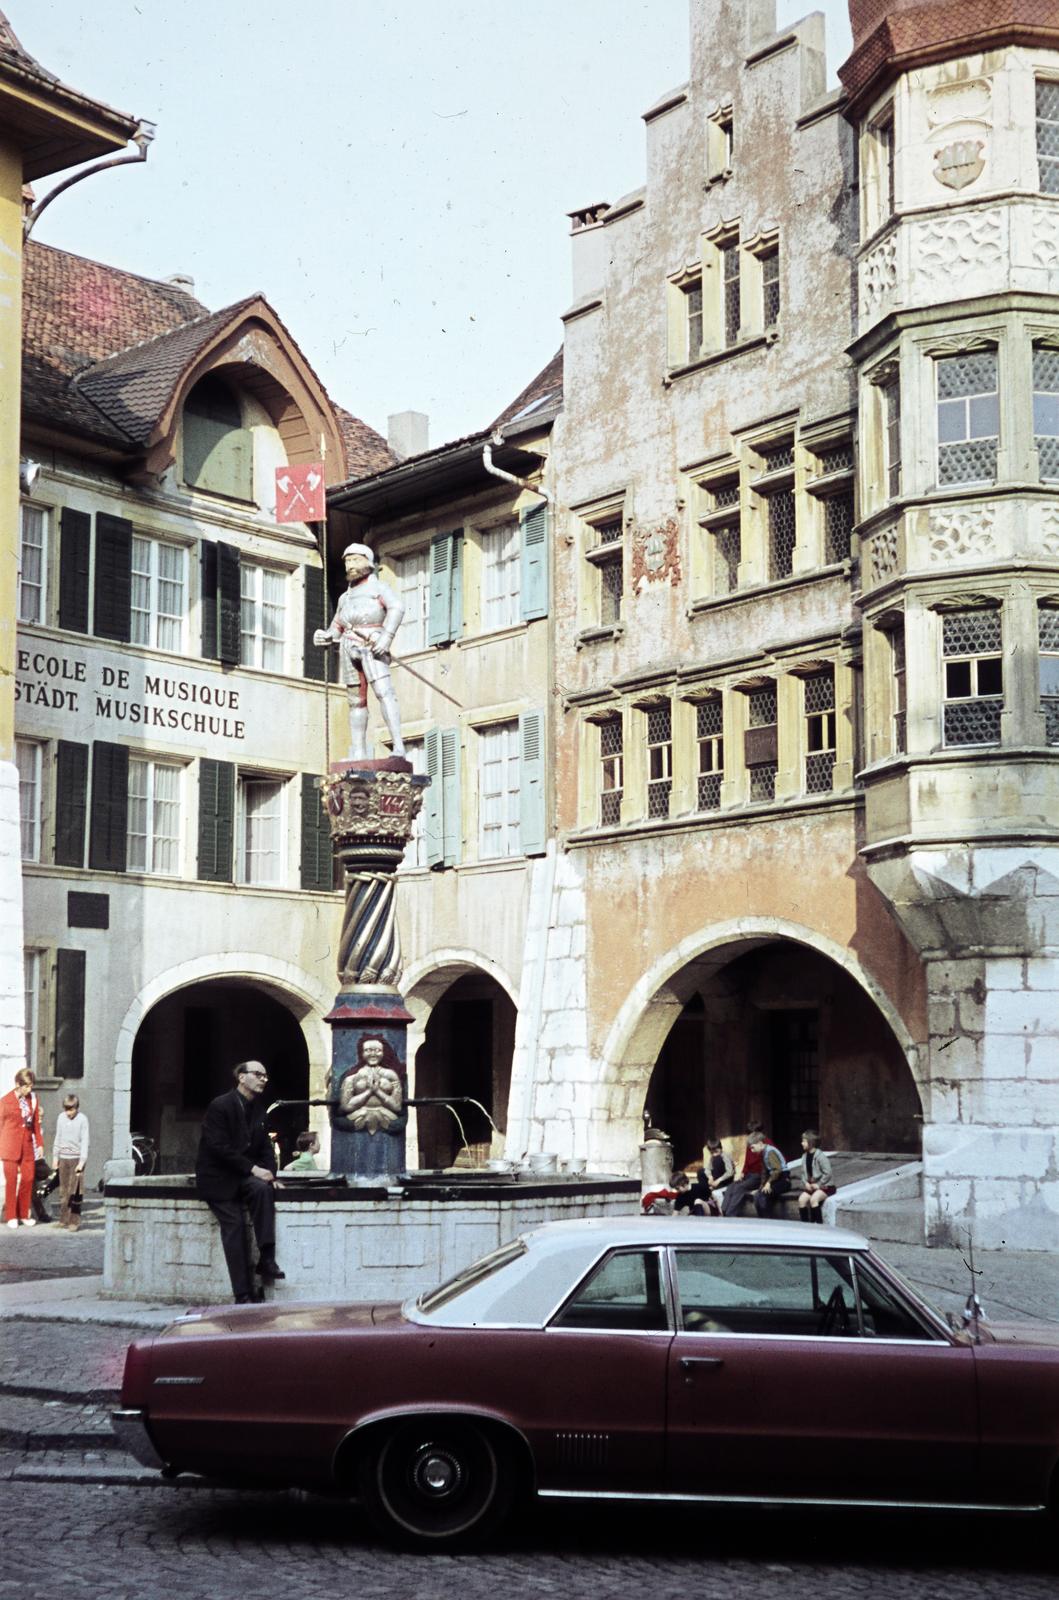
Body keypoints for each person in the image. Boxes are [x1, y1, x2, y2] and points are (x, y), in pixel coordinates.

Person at [195, 1061, 284, 1304]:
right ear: (241, 1077)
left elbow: (266, 1149)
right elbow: (218, 1148)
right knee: (233, 1227)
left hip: (242, 1176)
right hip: (218, 1178)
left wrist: (270, 1174)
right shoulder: (220, 1105)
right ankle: (242, 1294)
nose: (263, 1079)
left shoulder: (259, 1109)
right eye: (258, 1074)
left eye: (266, 1075)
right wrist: (255, 1169)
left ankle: (266, 1259)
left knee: (263, 1190)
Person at [313, 542, 405, 759]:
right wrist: (325, 636)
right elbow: (337, 627)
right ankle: (359, 753)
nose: (350, 566)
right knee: (356, 701)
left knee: (384, 692)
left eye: (355, 560)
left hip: (371, 643)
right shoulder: (344, 597)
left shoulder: (378, 589)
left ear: (368, 562)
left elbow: (397, 608)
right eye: (347, 561)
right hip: (348, 646)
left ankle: (399, 746)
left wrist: (386, 637)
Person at [0, 1069, 43, 1228]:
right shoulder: (5, 1101)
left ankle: (24, 1214)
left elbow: (36, 1124)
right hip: (9, 1145)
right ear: (18, 1084)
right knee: (11, 1181)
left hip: (26, 1145)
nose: (29, 1090)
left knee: (28, 1178)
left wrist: (39, 1143)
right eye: (26, 1086)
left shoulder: (33, 1098)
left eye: (31, 1086)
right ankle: (11, 1215)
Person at [52, 1093, 89, 1230]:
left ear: (77, 1108)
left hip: (76, 1159)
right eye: (66, 1109)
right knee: (63, 1191)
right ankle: (64, 1219)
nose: (69, 1113)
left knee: (75, 1191)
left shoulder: (83, 1120)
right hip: (63, 1158)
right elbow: (58, 1137)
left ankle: (74, 1221)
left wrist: (82, 1162)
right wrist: (55, 1157)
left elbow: (85, 1141)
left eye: (71, 1109)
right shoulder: (61, 1118)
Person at [721, 1121, 772, 1216]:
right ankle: (723, 1212)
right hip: (749, 1175)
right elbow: (747, 1161)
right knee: (731, 1187)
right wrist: (743, 1172)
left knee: (740, 1188)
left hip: (758, 1176)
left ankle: (730, 1214)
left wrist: (765, 1182)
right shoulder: (751, 1142)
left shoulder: (766, 1143)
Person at [787, 1129, 836, 1222]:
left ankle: (818, 1225)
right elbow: (803, 1173)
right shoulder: (804, 1156)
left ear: (811, 1142)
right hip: (812, 1187)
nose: (802, 1143)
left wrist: (819, 1184)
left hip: (825, 1186)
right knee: (802, 1200)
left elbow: (828, 1173)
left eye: (804, 1141)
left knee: (814, 1199)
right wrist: (806, 1183)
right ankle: (805, 1225)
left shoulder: (820, 1156)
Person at [749, 1133, 791, 1218]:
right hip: (774, 1180)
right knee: (757, 1195)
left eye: (753, 1147)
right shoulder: (763, 1153)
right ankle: (762, 1219)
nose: (752, 1151)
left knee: (763, 1195)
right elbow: (765, 1173)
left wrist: (768, 1183)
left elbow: (777, 1170)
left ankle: (768, 1220)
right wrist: (760, 1187)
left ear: (760, 1143)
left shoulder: (770, 1151)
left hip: (783, 1180)